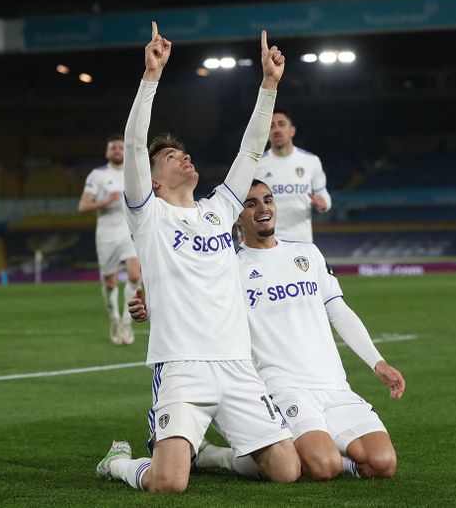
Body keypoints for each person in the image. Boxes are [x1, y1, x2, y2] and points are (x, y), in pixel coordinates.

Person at [95, 23, 300, 493]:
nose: (182, 157)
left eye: (184, 153)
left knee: (287, 471)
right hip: (182, 365)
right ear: (154, 179)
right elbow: (131, 146)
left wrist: (269, 86)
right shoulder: (148, 216)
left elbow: (251, 148)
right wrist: (152, 75)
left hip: (235, 362)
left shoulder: (219, 210)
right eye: (170, 156)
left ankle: (209, 455)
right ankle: (119, 464)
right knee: (168, 484)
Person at [130, 180, 405, 480]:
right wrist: (150, 307)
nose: (263, 208)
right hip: (283, 387)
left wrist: (378, 363)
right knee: (322, 466)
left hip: (334, 385)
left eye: (268, 200)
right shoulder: (227, 265)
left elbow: (339, 311)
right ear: (236, 216)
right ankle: (221, 456)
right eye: (251, 203)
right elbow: (186, 299)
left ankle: (310, 451)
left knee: (383, 463)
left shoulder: (307, 254)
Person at [78, 134, 141, 346]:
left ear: (125, 151)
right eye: (113, 147)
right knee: (110, 282)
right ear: (107, 152)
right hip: (106, 234)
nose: (116, 150)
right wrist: (106, 201)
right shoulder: (97, 175)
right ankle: (114, 318)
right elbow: (83, 206)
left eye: (120, 147)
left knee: (134, 275)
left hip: (129, 231)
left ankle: (126, 322)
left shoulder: (134, 173)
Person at [255, 109, 331, 242]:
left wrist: (323, 204)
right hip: (269, 243)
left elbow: (323, 195)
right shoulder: (257, 165)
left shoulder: (311, 161)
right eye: (271, 126)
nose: (277, 129)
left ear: (292, 131)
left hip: (302, 241)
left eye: (282, 124)